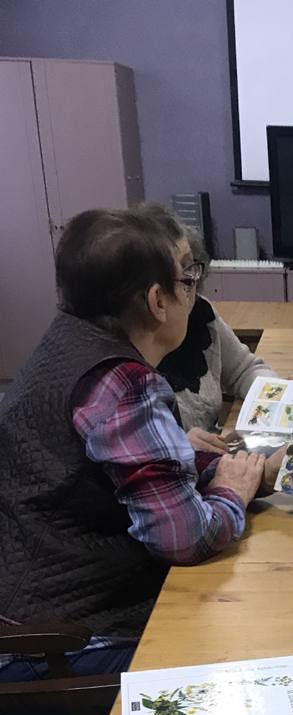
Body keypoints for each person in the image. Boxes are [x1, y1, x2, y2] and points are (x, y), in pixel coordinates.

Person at [0, 203, 276, 687]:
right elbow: (185, 538)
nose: (195, 293)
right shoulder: (123, 385)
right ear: (157, 301)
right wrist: (233, 492)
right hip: (57, 648)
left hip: (28, 612)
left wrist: (221, 467)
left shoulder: (69, 341)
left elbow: (122, 468)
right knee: (262, 633)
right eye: (188, 279)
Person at [157, 230, 278, 448]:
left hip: (217, 455)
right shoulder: (126, 361)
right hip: (186, 465)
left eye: (192, 271)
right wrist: (179, 447)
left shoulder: (200, 313)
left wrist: (275, 396)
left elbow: (245, 369)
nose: (190, 290)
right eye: (183, 278)